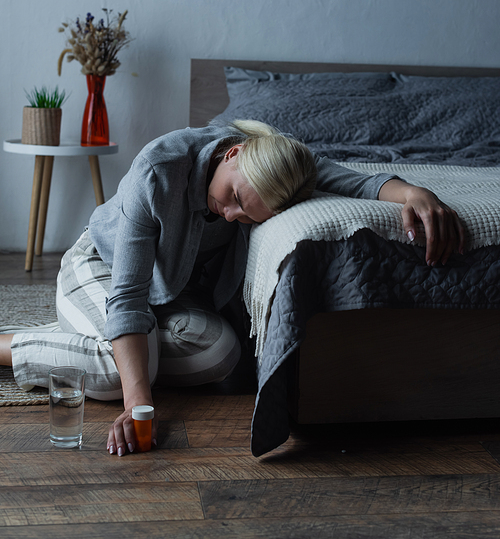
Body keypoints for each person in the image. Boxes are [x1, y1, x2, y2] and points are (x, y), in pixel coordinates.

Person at [0, 119, 464, 456]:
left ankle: (95, 340)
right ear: (233, 153)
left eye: (247, 215)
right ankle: (8, 345)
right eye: (235, 198)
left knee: (221, 353)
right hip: (103, 265)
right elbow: (128, 295)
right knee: (117, 372)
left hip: (169, 293)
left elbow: (352, 179)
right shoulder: (159, 169)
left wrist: (414, 194)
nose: (231, 215)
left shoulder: (279, 162)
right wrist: (139, 405)